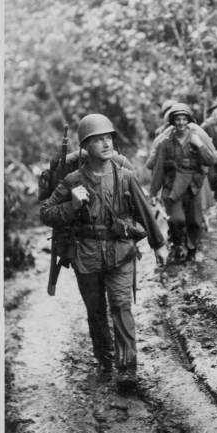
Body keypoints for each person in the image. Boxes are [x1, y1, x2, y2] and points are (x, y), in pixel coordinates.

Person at [40, 114, 167, 390]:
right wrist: (72, 205)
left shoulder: (125, 177)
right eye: (98, 140)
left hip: (120, 252)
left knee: (121, 307)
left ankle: (127, 369)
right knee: (96, 312)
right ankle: (105, 360)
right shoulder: (73, 179)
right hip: (86, 256)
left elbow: (145, 211)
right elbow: (46, 212)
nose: (106, 143)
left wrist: (159, 245)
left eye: (108, 138)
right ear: (86, 146)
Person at [150, 103, 217, 265]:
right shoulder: (166, 142)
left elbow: (211, 160)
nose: (180, 123)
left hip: (192, 186)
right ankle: (178, 244)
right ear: (172, 122)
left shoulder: (196, 137)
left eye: (183, 119)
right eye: (177, 120)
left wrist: (199, 145)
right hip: (171, 186)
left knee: (194, 221)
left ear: (188, 120)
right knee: (175, 220)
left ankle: (192, 249)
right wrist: (153, 193)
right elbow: (158, 168)